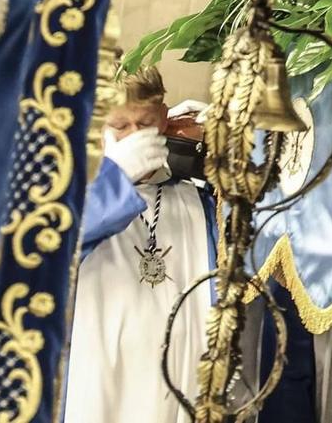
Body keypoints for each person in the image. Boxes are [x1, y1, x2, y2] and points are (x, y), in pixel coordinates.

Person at [64, 70, 216, 423]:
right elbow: (58, 245)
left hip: (176, 380)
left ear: (164, 118)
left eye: (145, 124)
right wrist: (115, 177)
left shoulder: (194, 196)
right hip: (97, 384)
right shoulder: (69, 191)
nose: (134, 138)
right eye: (120, 126)